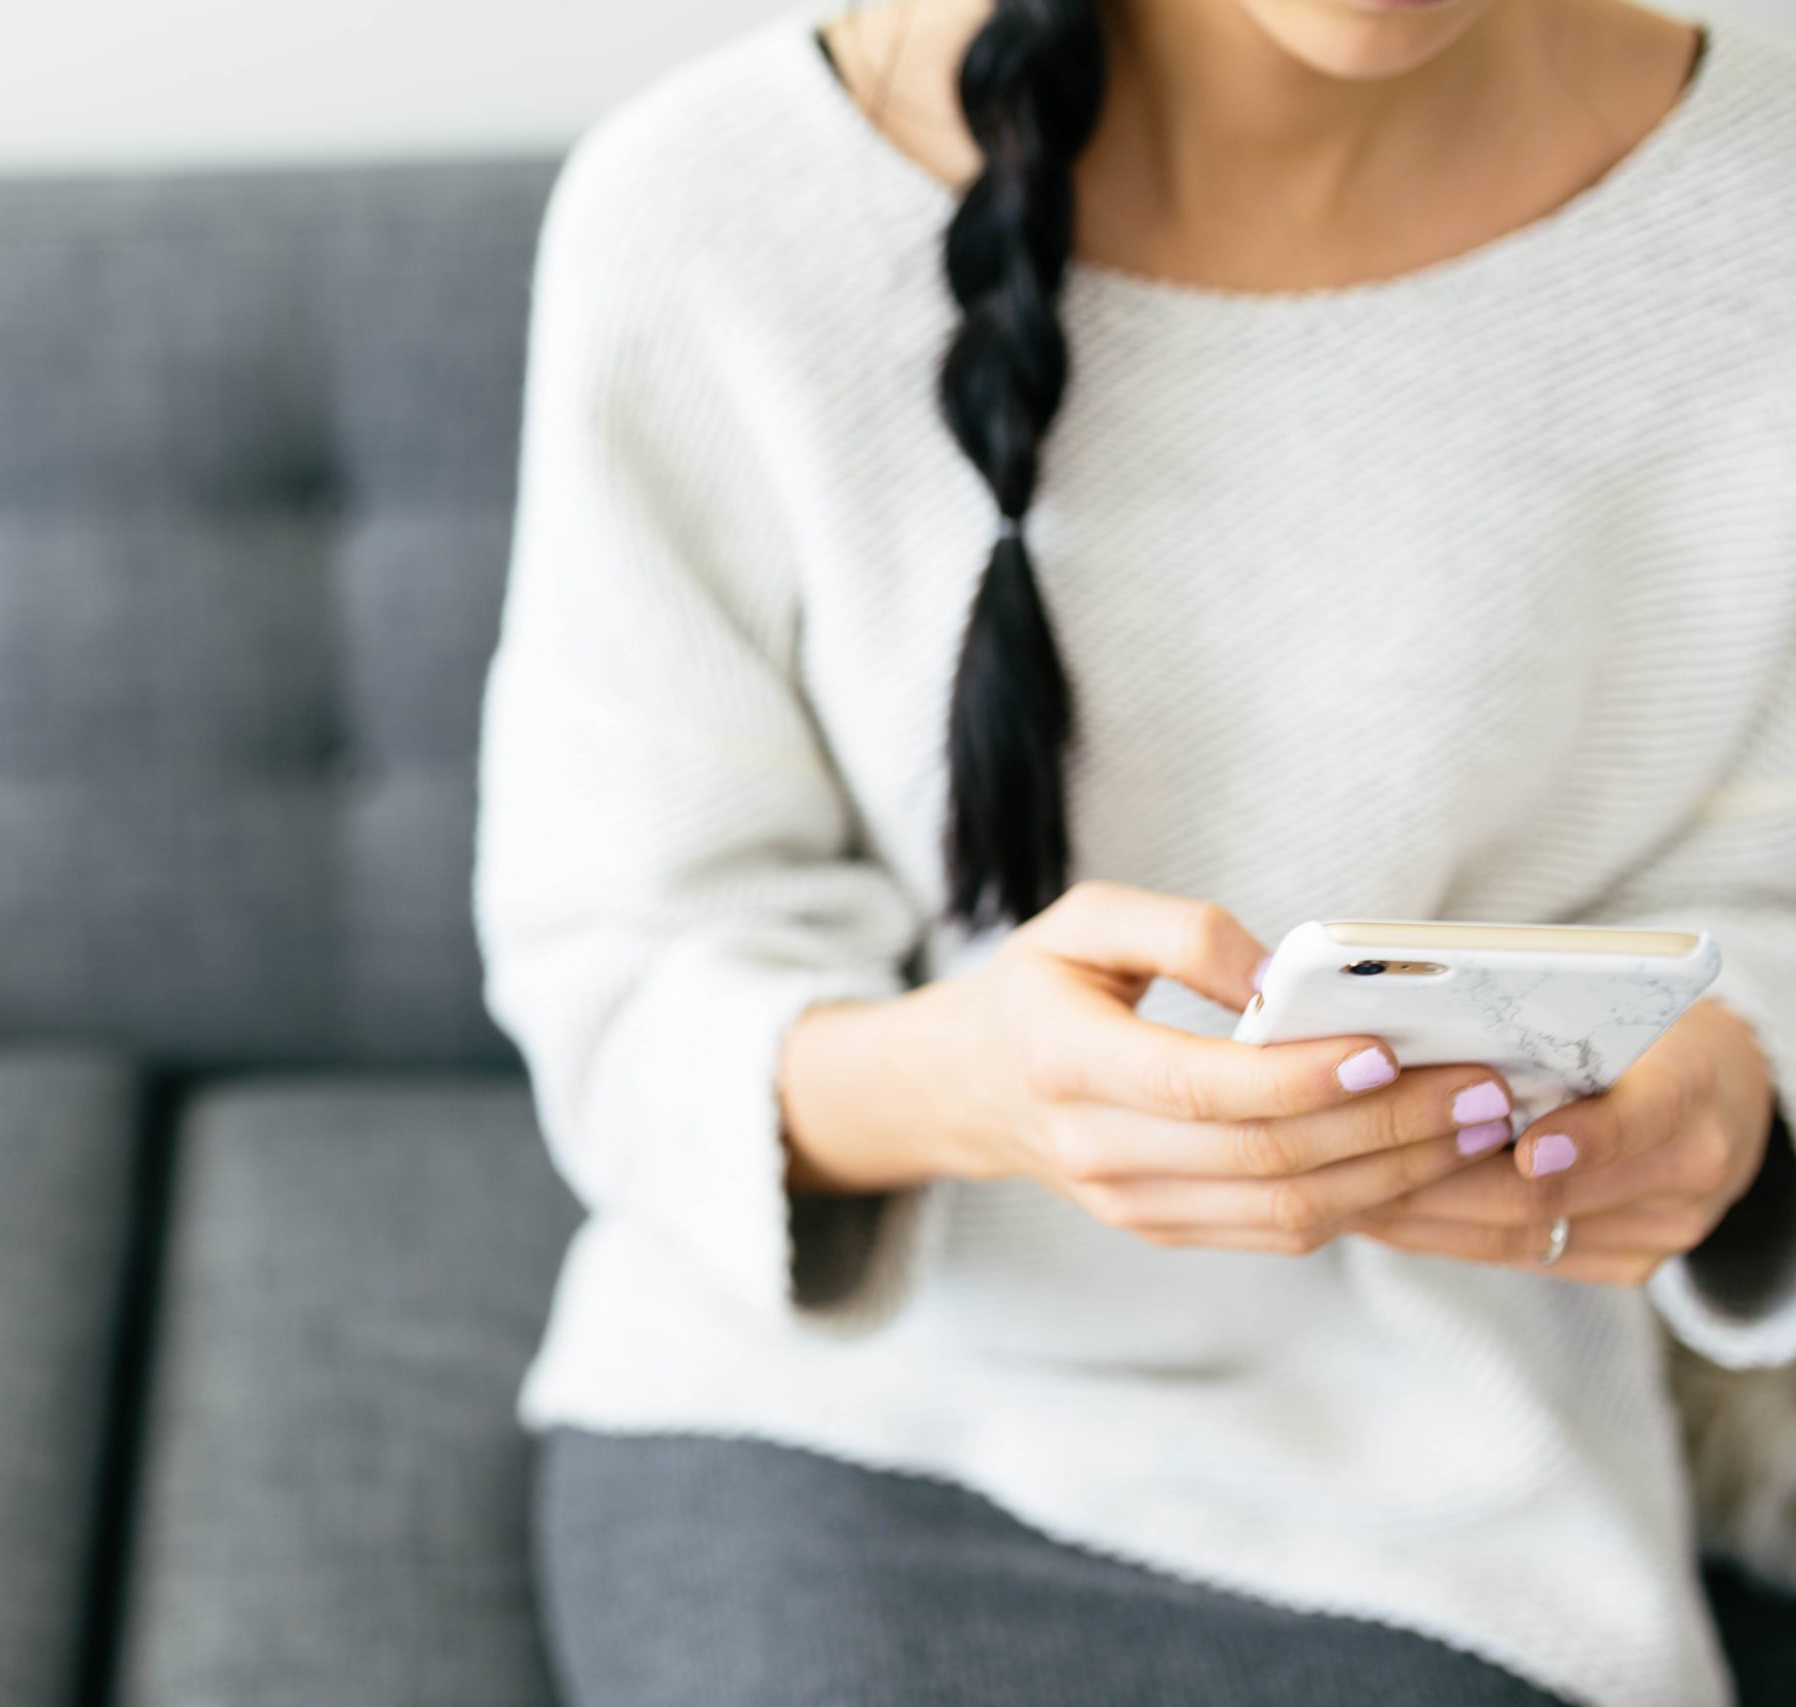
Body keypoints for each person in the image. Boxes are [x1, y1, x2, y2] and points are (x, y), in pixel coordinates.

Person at [467, 0, 1796, 1702]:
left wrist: (1728, 1093)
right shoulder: (711, 210)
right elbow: (626, 967)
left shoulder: (1756, 206)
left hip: (1463, 1486)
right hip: (845, 1415)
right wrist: (973, 1087)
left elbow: (1762, 909)